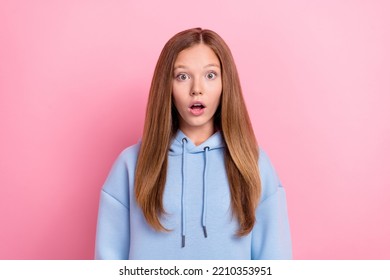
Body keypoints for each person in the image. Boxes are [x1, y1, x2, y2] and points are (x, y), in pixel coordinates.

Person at [95, 27, 292, 259]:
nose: (196, 89)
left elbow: (275, 261)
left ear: (224, 84)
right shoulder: (130, 165)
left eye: (210, 75)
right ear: (166, 86)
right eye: (182, 76)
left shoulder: (254, 163)